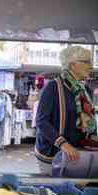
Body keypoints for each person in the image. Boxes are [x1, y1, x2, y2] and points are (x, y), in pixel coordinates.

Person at [35, 46, 97, 175]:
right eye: (87, 62)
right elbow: (42, 122)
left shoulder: (86, 91)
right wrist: (63, 144)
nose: (91, 66)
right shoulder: (53, 87)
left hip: (77, 154)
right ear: (72, 65)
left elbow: (88, 121)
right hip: (52, 155)